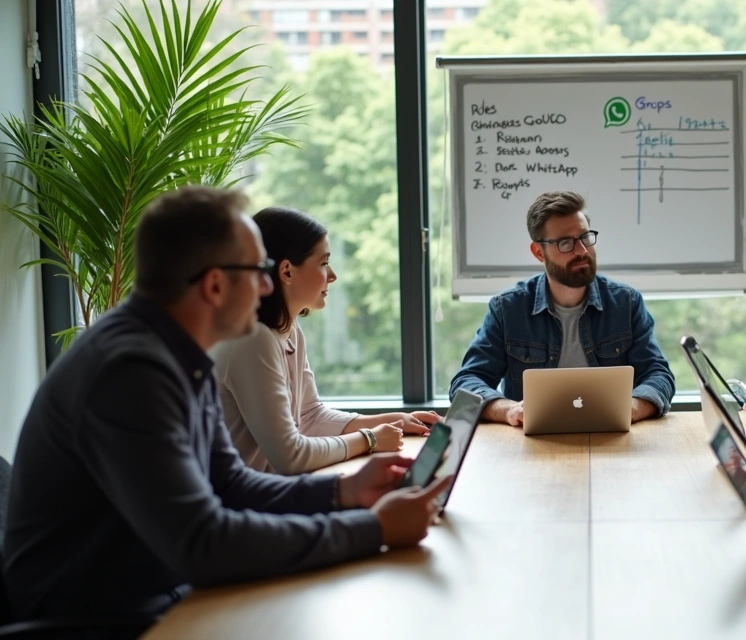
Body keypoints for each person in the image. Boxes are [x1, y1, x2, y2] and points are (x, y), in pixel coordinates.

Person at [2, 187, 452, 626]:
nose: (265, 284)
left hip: (152, 590)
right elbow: (203, 544)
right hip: (91, 615)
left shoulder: (176, 353)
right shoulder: (130, 371)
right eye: (258, 269)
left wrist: (345, 493)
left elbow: (232, 484)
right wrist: (373, 530)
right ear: (215, 284)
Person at [210, 207, 437, 475]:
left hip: (266, 494)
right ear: (287, 271)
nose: (332, 275)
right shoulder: (253, 340)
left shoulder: (288, 329)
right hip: (242, 506)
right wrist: (370, 439)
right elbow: (291, 457)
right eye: (323, 263)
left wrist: (393, 420)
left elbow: (309, 416)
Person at [449, 190, 675, 427]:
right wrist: (509, 410)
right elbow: (466, 384)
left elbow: (659, 375)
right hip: (529, 447)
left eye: (585, 237)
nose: (582, 251)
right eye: (566, 243)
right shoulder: (507, 308)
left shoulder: (626, 303)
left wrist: (631, 407)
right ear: (539, 252)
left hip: (613, 440)